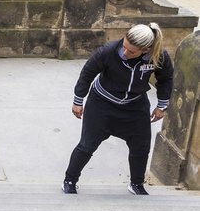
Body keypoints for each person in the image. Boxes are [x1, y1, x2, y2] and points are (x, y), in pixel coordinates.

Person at [62, 23, 173, 196]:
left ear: (146, 49)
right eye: (124, 46)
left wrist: (162, 105)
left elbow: (166, 79)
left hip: (135, 107)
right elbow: (87, 73)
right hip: (101, 104)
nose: (125, 53)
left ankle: (136, 184)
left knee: (141, 147)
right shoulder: (107, 51)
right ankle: (70, 180)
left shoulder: (158, 57)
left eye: (132, 51)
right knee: (87, 145)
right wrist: (78, 100)